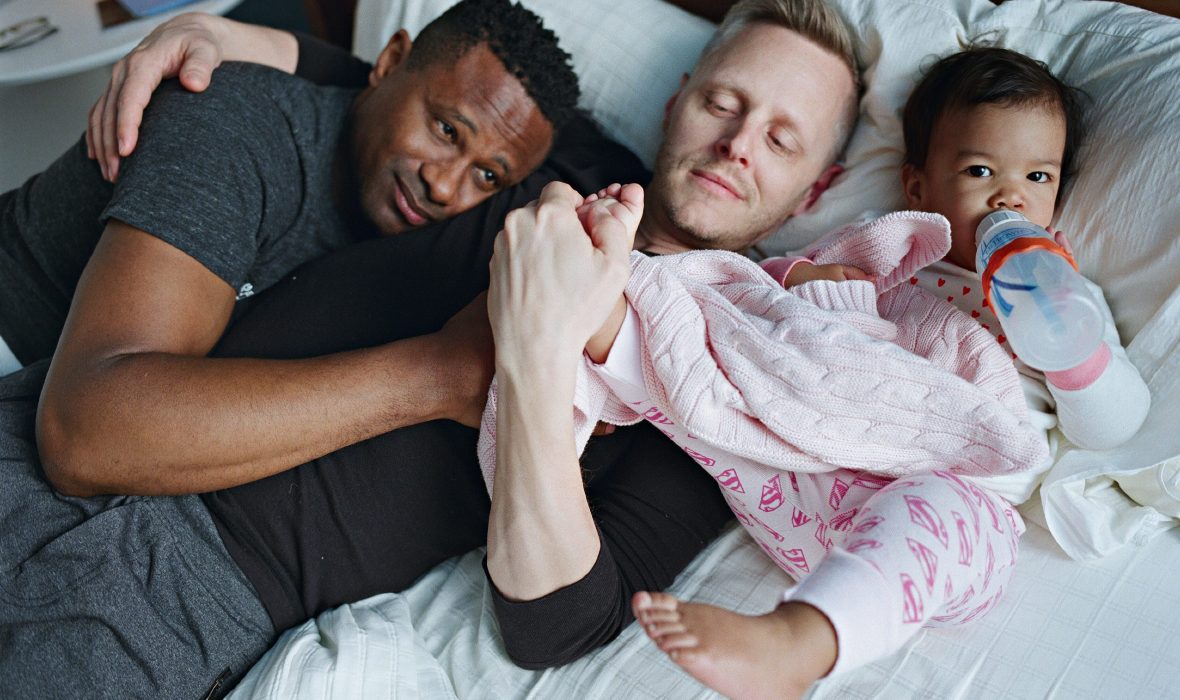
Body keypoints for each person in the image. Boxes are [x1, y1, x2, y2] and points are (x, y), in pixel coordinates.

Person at [0, 0, 861, 697]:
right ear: (677, 103)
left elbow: (558, 623)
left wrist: (523, 365)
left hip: (188, 594)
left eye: (782, 139)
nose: (736, 144)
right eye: (723, 103)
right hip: (81, 416)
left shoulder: (735, 378)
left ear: (815, 189)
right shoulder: (562, 165)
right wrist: (228, 37)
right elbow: (422, 93)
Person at [530, 47, 1147, 699]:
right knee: (716, 381)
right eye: (980, 169)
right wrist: (819, 285)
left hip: (936, 512)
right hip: (806, 477)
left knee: (961, 517)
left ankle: (800, 639)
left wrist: (1075, 356)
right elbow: (781, 332)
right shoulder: (891, 256)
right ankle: (606, 312)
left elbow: (1113, 426)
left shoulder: (1066, 297)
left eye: (1039, 177)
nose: (1009, 196)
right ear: (919, 188)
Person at [0, 0, 576, 498]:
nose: (445, 187)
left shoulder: (425, 216)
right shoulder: (234, 127)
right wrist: (435, 377)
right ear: (390, 62)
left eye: (487, 177)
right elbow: (85, 433)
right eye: (447, 131)